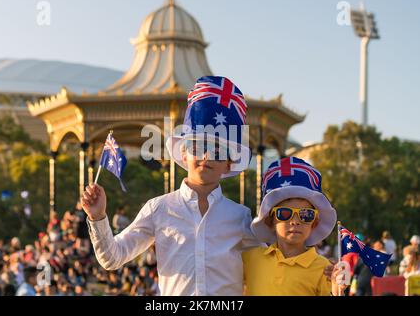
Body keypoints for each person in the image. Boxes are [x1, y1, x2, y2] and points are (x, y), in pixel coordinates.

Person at [81, 76, 258, 295]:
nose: (205, 156)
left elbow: (264, 274)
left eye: (218, 151)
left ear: (229, 164)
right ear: (183, 153)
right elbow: (112, 257)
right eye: (197, 146)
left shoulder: (241, 218)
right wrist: (98, 217)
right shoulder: (159, 208)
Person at [243, 157, 341, 296]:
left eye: (306, 215)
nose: (295, 222)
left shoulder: (325, 269)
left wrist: (338, 288)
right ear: (270, 221)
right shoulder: (249, 258)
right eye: (284, 213)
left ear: (314, 223)